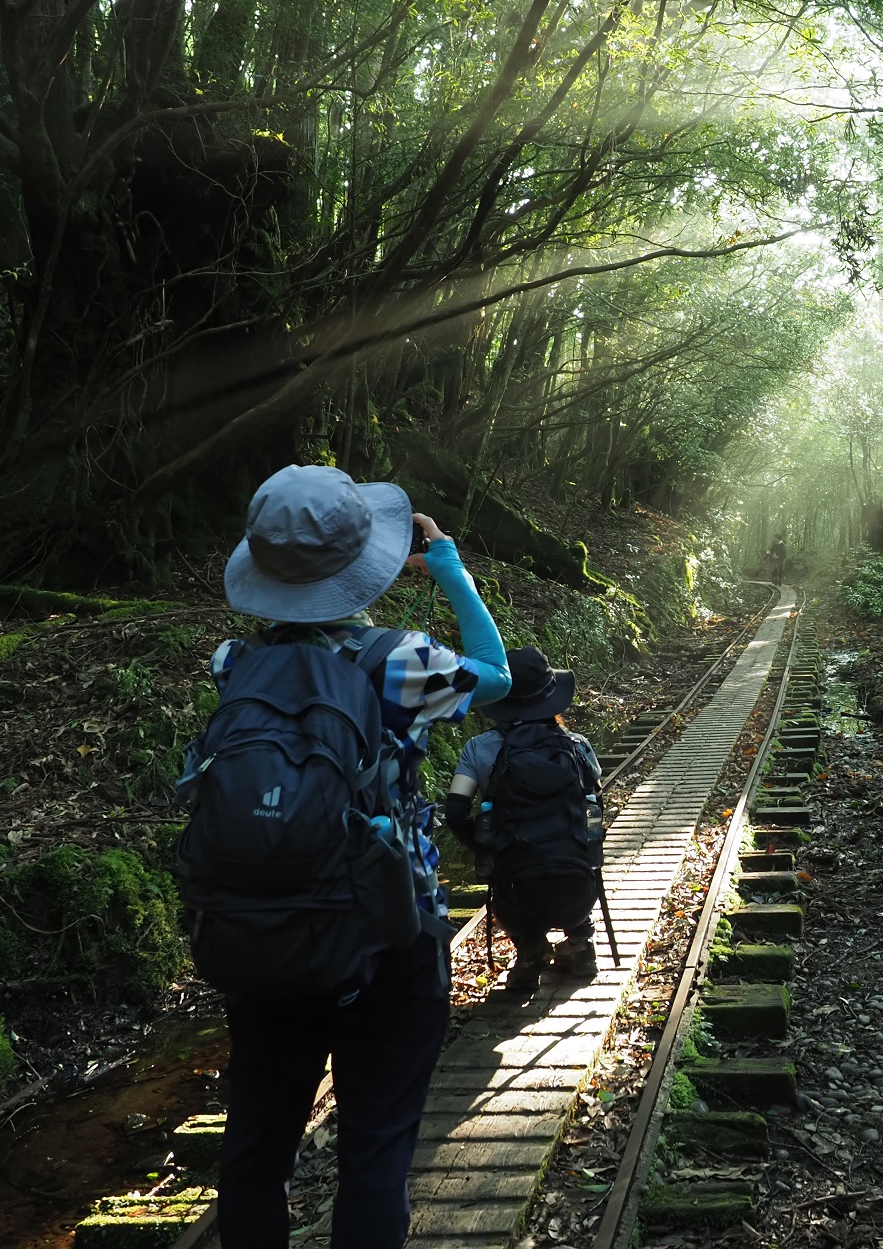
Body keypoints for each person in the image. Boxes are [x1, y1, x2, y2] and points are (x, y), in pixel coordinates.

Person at [208, 464, 510, 1249]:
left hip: (261, 936)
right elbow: (501, 673)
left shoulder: (232, 666)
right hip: (389, 936)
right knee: (373, 1154)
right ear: (361, 565)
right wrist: (446, 564)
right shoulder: (404, 662)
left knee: (253, 1154)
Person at [445, 645, 603, 994]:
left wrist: (487, 845)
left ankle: (530, 949)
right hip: (578, 894)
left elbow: (455, 812)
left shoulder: (479, 749)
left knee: (508, 866)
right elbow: (593, 811)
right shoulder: (577, 745)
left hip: (516, 898)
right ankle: (579, 943)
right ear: (551, 696)